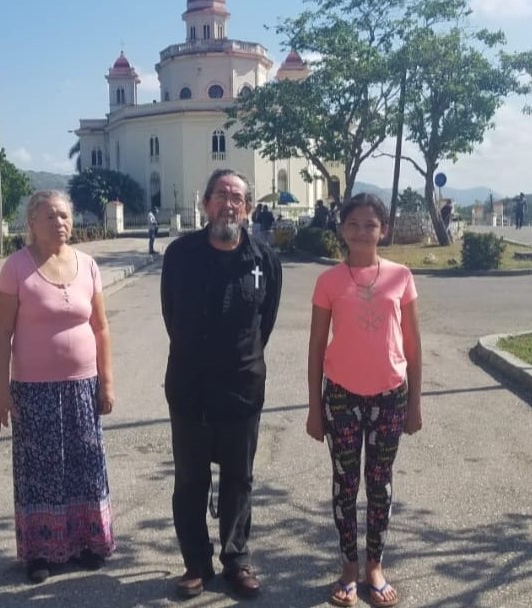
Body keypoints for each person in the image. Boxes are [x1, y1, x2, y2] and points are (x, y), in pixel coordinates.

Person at [161, 169, 283, 600]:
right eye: (220, 195)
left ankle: (236, 559)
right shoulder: (179, 255)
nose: (228, 204)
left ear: (248, 208)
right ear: (205, 203)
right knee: (191, 480)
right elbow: (170, 315)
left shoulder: (264, 258)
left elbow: (264, 322)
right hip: (190, 387)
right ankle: (196, 564)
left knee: (238, 478)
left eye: (237, 197)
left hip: (242, 387)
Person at [0, 189, 117, 584]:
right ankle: (40, 551)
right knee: (40, 470)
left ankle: (88, 542)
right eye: (49, 217)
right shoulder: (16, 268)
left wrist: (106, 383)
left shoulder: (88, 264)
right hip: (34, 390)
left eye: (63, 216)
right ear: (31, 224)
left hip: (82, 387)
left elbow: (100, 327)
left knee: (85, 465)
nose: (59, 223)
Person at [306, 193, 423, 608]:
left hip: (391, 397)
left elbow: (412, 343)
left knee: (380, 483)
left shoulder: (401, 276)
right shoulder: (329, 282)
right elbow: (317, 345)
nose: (361, 231)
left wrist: (415, 403)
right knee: (345, 483)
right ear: (342, 229)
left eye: (370, 224)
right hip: (340, 396)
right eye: (353, 224)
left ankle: (375, 564)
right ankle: (348, 568)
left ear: (383, 230)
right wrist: (314, 408)